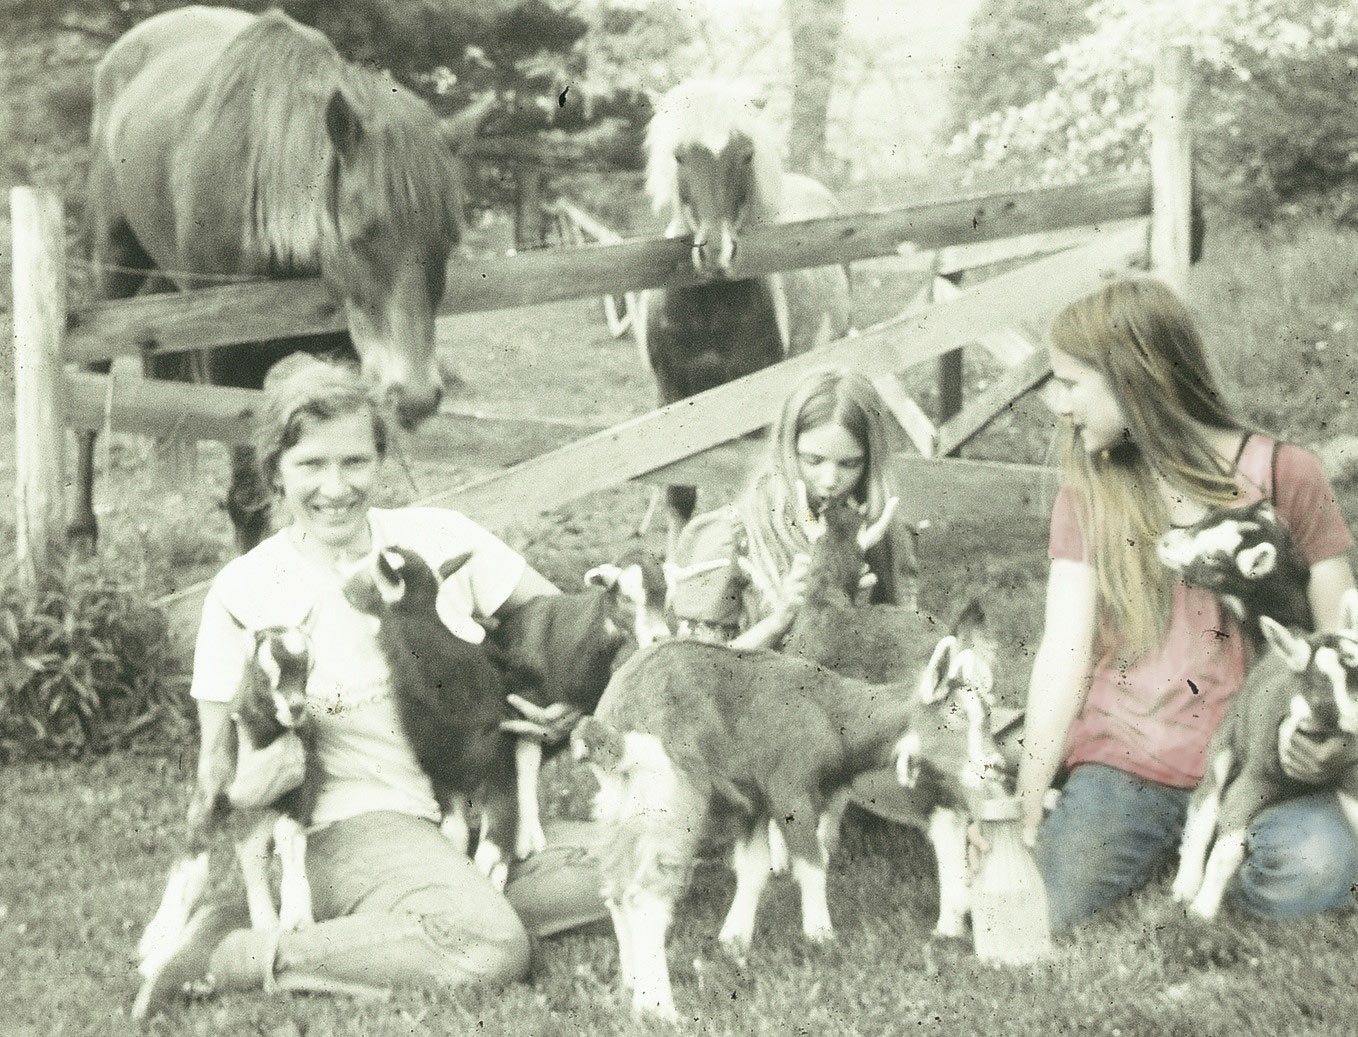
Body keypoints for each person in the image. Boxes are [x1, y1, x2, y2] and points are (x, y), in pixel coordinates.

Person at [134, 355, 607, 1019]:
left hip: (467, 812)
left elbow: (567, 627)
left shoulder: (436, 537)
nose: (336, 486)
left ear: (380, 457)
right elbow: (220, 777)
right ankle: (232, 950)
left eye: (355, 461)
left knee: (664, 844)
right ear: (275, 471)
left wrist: (564, 692)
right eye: (311, 465)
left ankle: (422, 911)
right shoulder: (245, 589)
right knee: (490, 946)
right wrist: (253, 781)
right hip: (345, 827)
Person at [1017, 275, 1358, 929]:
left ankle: (1221, 844)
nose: (1056, 403)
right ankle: (1148, 834)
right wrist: (1028, 797)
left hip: (1264, 754)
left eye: (1069, 382)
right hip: (1131, 755)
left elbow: (1344, 642)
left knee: (1313, 871)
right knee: (1049, 902)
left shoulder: (1287, 473)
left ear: (1134, 378)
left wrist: (1339, 749)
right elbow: (1061, 652)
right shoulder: (1089, 492)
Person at [666, 365, 916, 648]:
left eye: (850, 464)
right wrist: (780, 619)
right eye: (813, 460)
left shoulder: (882, 536)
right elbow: (695, 673)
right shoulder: (732, 538)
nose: (830, 480)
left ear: (870, 463)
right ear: (787, 450)